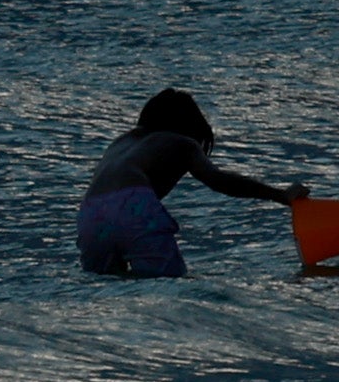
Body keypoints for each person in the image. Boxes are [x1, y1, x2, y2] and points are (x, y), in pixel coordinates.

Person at [78, 89, 311, 276]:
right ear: (189, 125)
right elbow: (219, 180)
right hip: (133, 206)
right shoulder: (182, 142)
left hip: (91, 212)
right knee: (166, 284)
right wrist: (281, 195)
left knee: (102, 282)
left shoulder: (120, 143)